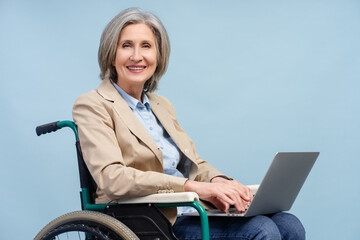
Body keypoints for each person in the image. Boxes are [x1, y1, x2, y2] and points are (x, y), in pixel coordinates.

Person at [73, 7, 305, 240]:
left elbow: (194, 162)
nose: (136, 56)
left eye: (146, 46)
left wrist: (220, 182)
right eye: (126, 46)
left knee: (289, 224)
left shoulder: (161, 105)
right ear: (111, 54)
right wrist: (194, 187)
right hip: (146, 218)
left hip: (190, 209)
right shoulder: (92, 104)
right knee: (261, 230)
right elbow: (112, 177)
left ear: (158, 55)